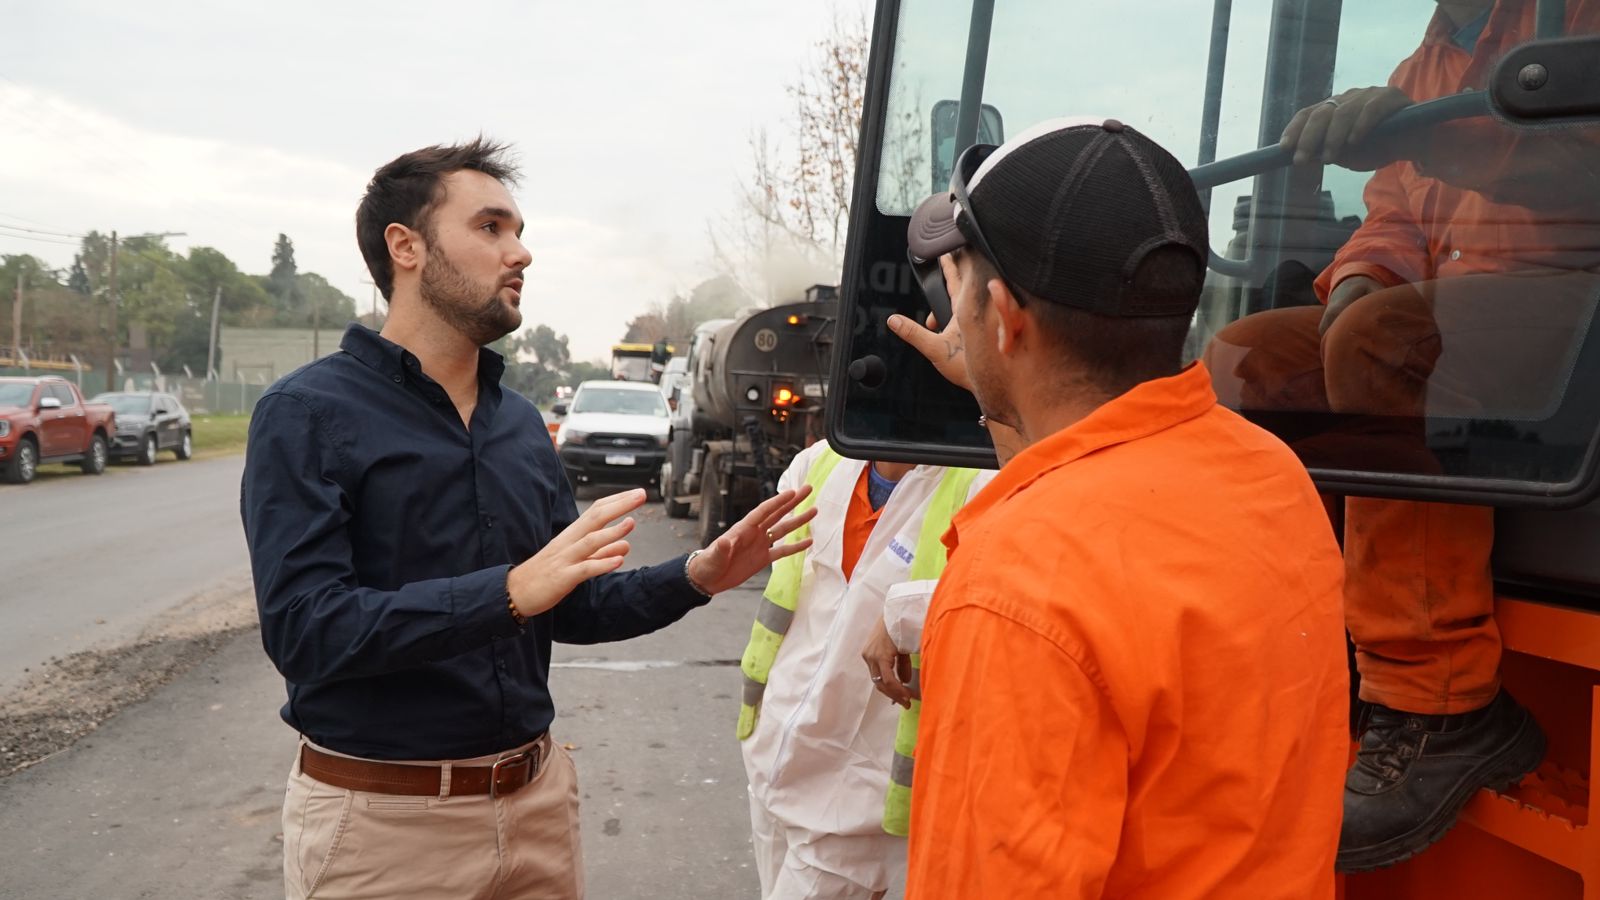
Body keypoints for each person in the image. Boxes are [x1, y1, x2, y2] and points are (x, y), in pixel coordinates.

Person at [239, 138, 815, 900]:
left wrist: (696, 575)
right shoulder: (307, 413)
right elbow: (305, 630)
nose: (521, 253)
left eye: (518, 230)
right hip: (384, 828)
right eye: (491, 228)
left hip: (535, 806)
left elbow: (565, 605)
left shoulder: (517, 424)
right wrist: (508, 590)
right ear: (405, 247)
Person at [886, 118, 1349, 899]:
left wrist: (1005, 376)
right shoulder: (1269, 477)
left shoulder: (1016, 586)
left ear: (1003, 313)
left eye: (961, 281)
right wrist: (1006, 385)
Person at [1206, 0, 1600, 870]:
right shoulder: (1422, 68)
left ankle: (1441, 704)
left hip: (1576, 306)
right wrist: (1356, 276)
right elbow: (1394, 219)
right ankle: (1315, 642)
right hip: (1463, 322)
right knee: (1243, 360)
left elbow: (1586, 171)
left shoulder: (1573, 20)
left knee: (1388, 344)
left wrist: (1434, 139)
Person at [738, 441, 990, 900]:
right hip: (774, 760)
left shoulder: (978, 477)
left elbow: (1005, 583)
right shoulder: (819, 462)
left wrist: (905, 612)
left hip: (855, 795)